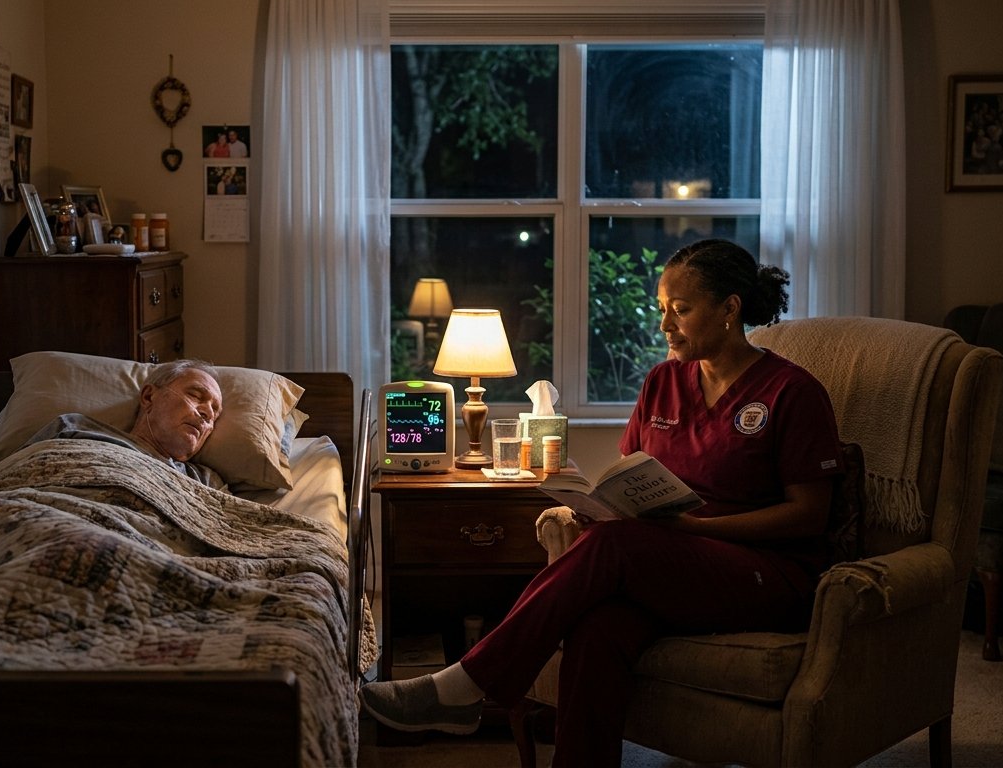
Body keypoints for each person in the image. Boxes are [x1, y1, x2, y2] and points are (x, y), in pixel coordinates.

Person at [359, 239, 844, 767]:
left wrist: (692, 529)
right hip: (671, 562)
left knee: (614, 545)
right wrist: (595, 507)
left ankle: (467, 684)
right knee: (597, 629)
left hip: (766, 575)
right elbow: (630, 475)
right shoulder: (662, 381)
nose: (665, 325)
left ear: (730, 308)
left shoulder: (791, 392)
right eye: (662, 309)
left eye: (681, 310)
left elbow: (809, 515)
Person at [25, 359, 227, 489]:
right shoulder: (73, 428)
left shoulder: (205, 481)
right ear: (149, 397)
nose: (208, 413)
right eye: (195, 395)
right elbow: (15, 474)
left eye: (215, 413)